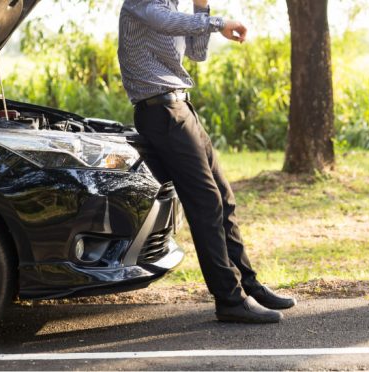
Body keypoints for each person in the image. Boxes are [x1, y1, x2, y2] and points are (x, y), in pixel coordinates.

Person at [118, 0, 296, 323]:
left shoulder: (173, 7)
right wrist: (217, 22)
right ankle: (229, 300)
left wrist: (203, 7)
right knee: (205, 203)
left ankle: (248, 285)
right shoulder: (144, 4)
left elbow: (196, 53)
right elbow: (167, 21)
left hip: (182, 109)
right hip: (161, 111)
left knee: (223, 198)